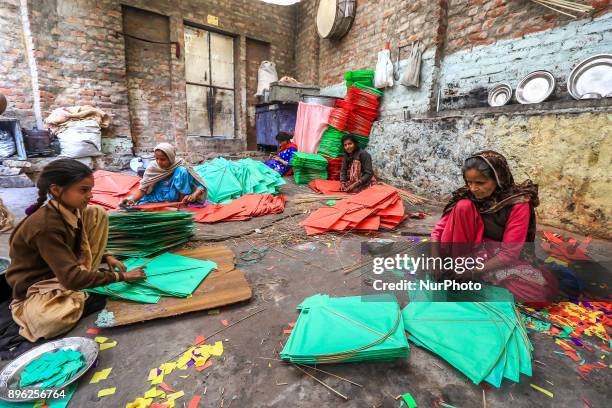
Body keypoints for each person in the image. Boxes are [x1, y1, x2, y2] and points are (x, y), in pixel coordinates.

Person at [4, 159, 146, 342]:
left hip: (62, 268)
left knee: (96, 213)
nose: (90, 195)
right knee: (50, 322)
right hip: (38, 283)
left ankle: (83, 282)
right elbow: (71, 279)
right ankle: (75, 289)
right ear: (56, 190)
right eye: (83, 190)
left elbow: (82, 238)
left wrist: (107, 255)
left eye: (90, 189)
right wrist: (121, 277)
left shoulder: (70, 208)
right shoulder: (45, 227)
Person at [431, 150, 558, 305]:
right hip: (466, 254)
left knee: (538, 295)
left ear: (498, 179)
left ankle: (468, 277)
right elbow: (439, 231)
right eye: (469, 182)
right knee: (463, 207)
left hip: (496, 257)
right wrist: (435, 259)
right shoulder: (466, 196)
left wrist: (473, 272)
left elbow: (509, 253)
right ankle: (459, 271)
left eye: (480, 183)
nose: (473, 188)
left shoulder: (518, 203)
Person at [121, 143, 207, 206]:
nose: (159, 162)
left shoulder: (180, 164)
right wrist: (132, 200)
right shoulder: (152, 168)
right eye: (156, 158)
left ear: (171, 158)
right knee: (140, 205)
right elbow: (143, 189)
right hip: (157, 197)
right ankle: (170, 204)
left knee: (182, 171)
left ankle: (181, 204)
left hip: (176, 199)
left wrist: (194, 195)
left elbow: (200, 186)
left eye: (163, 159)